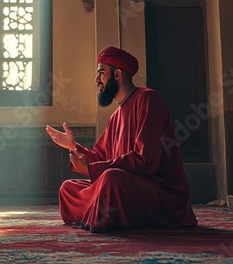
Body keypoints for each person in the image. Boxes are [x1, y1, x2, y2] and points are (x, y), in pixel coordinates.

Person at [46, 46, 197, 233]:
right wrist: (73, 146)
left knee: (111, 179)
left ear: (117, 74)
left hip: (158, 191)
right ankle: (102, 213)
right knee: (68, 188)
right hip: (125, 186)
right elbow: (101, 158)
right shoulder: (115, 117)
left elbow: (146, 161)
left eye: (101, 73)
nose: (96, 80)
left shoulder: (148, 99)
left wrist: (93, 169)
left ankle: (99, 214)